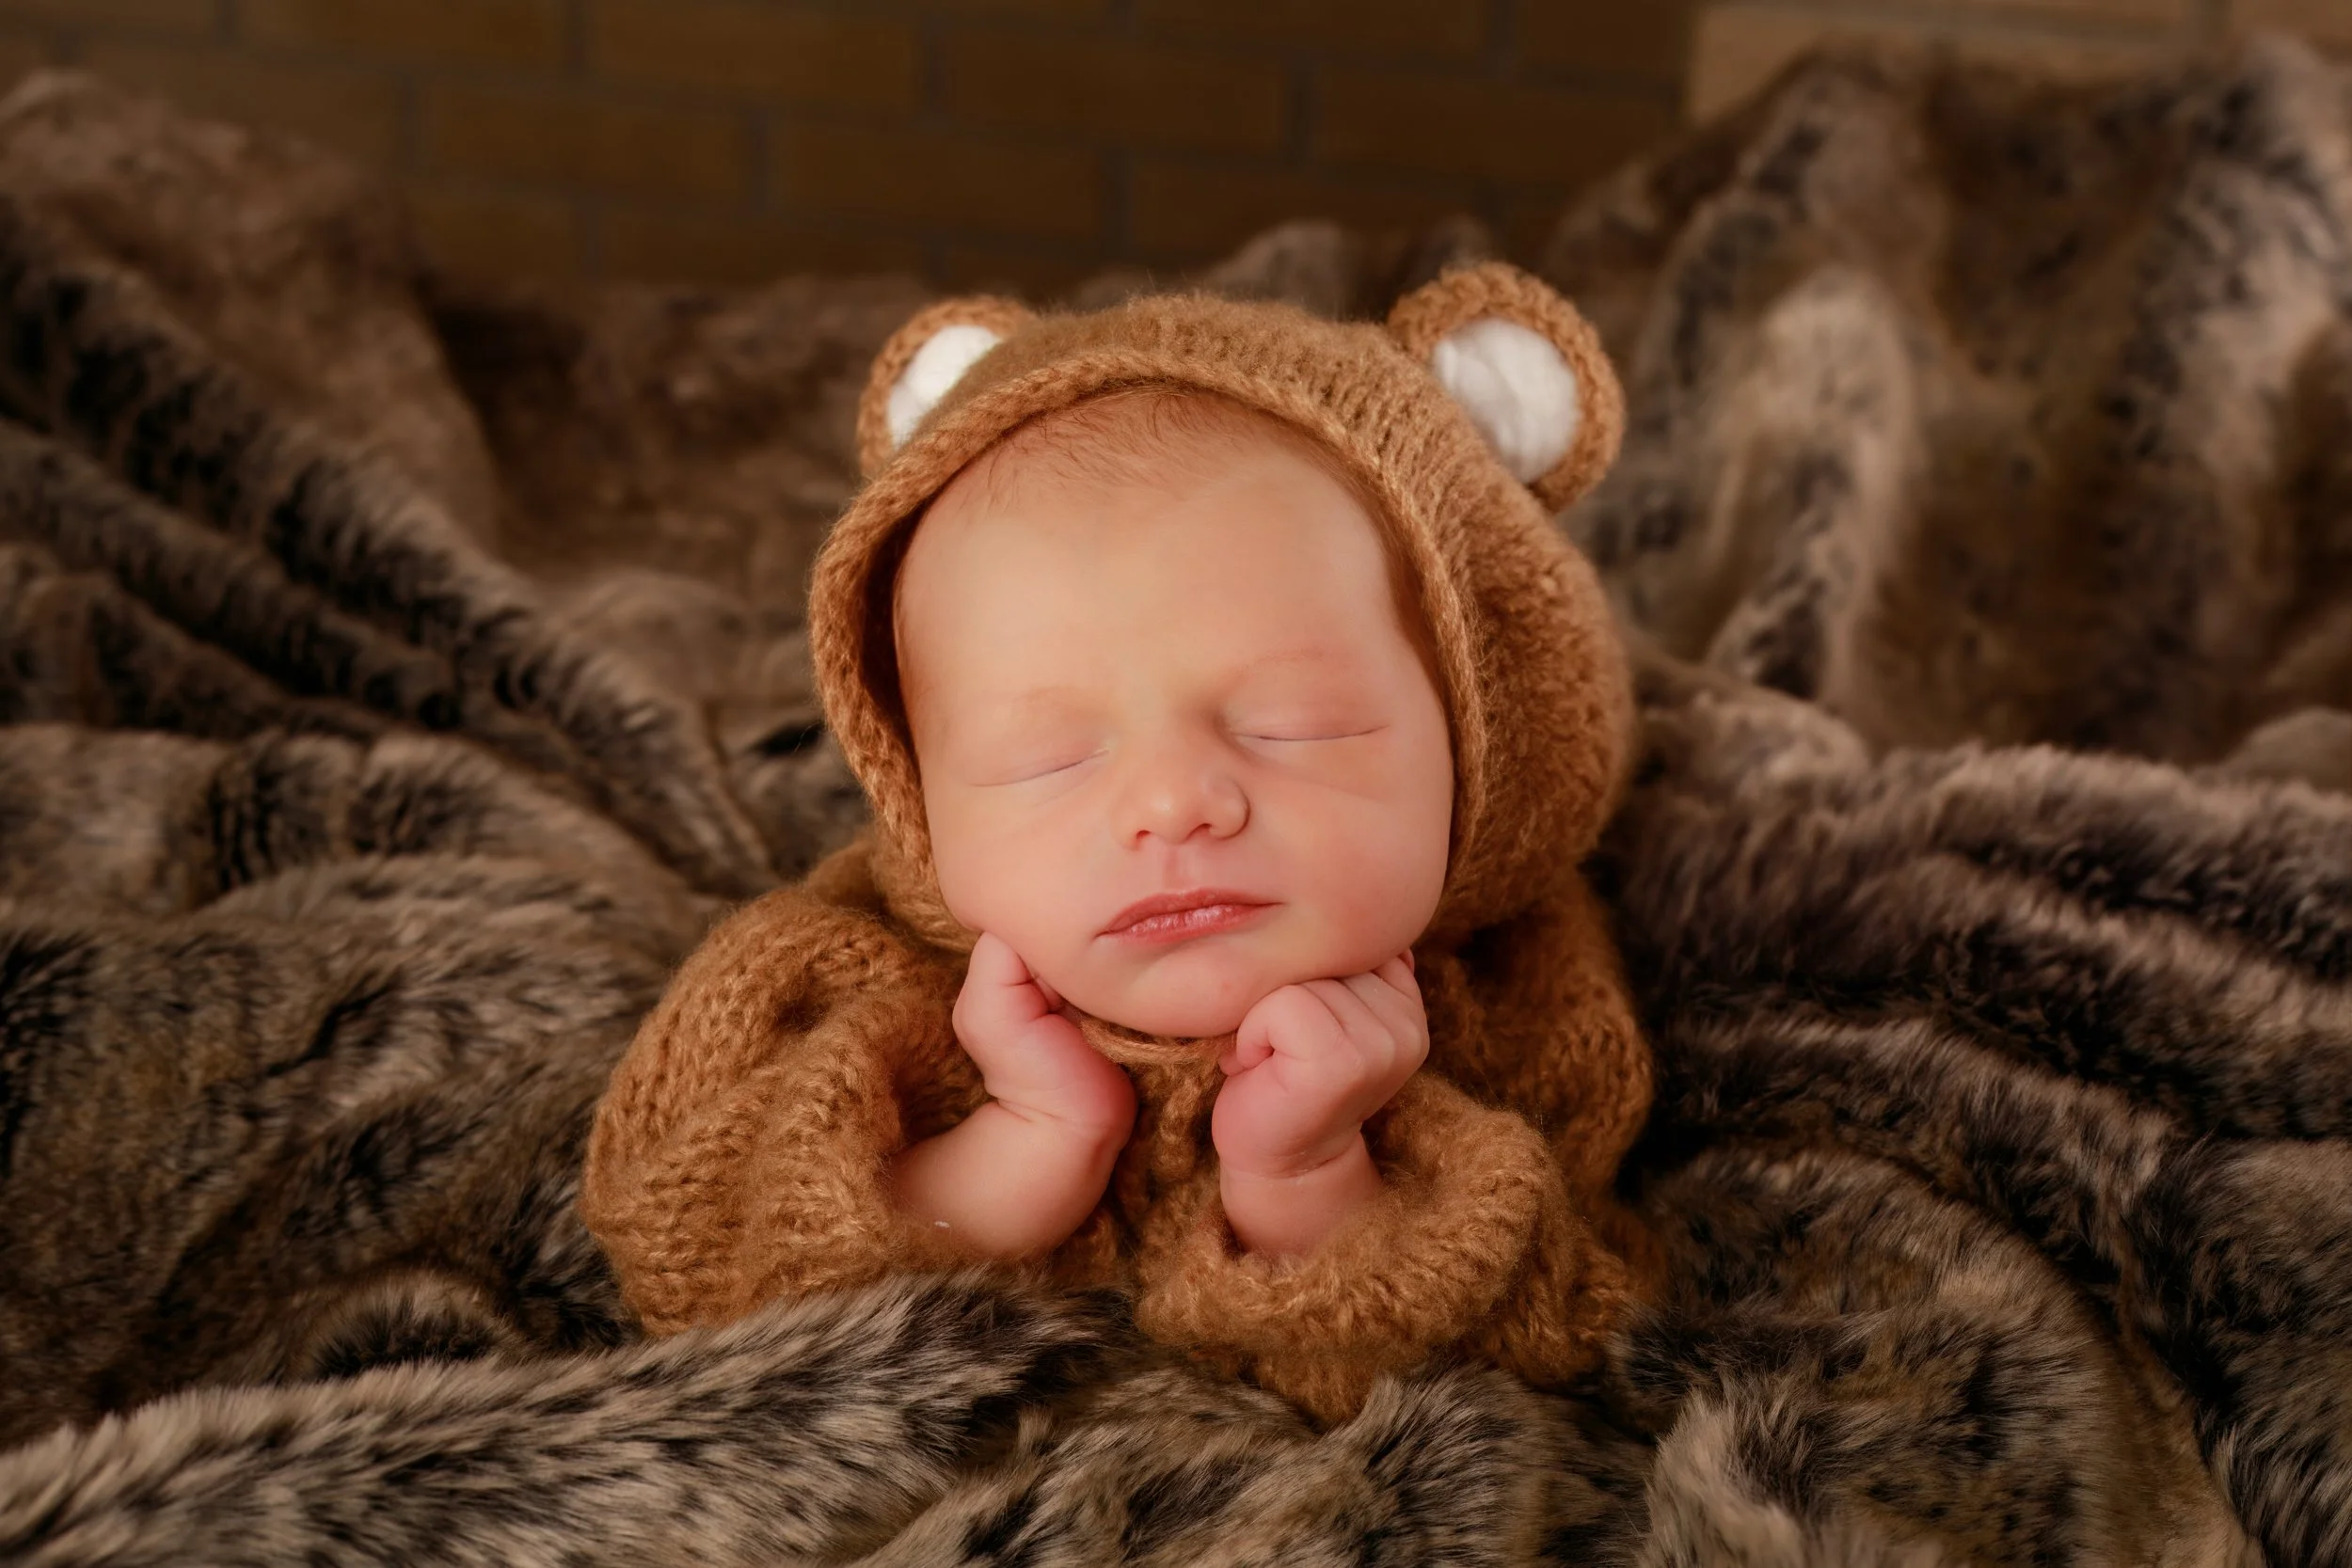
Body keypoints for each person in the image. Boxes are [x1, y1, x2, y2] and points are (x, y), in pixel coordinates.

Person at [585, 263, 1655, 1425]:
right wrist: (1007, 1161)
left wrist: (1311, 1178)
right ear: (918, 796)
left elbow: (1563, 1333)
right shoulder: (846, 987)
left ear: (1482, 732)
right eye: (1046, 755)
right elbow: (688, 1254)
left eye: (1290, 723)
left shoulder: (1517, 1003)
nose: (1173, 804)